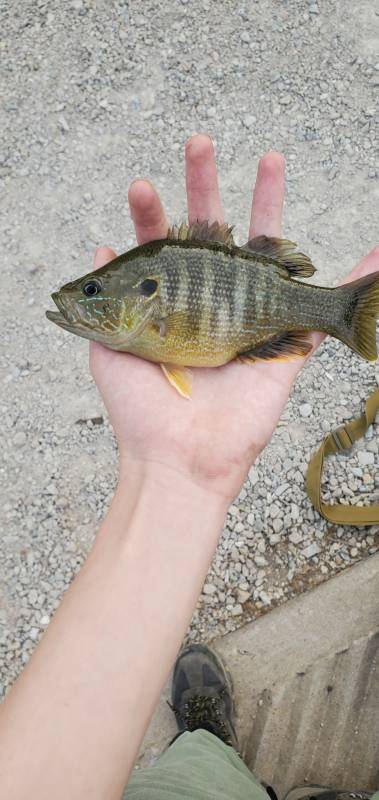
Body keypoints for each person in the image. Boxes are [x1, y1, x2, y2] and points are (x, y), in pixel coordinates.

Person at [0, 134, 377, 800]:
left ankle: (205, 747)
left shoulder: (155, 317)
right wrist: (169, 470)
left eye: (94, 291)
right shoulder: (140, 319)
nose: (81, 299)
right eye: (91, 290)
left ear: (139, 296)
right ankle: (211, 750)